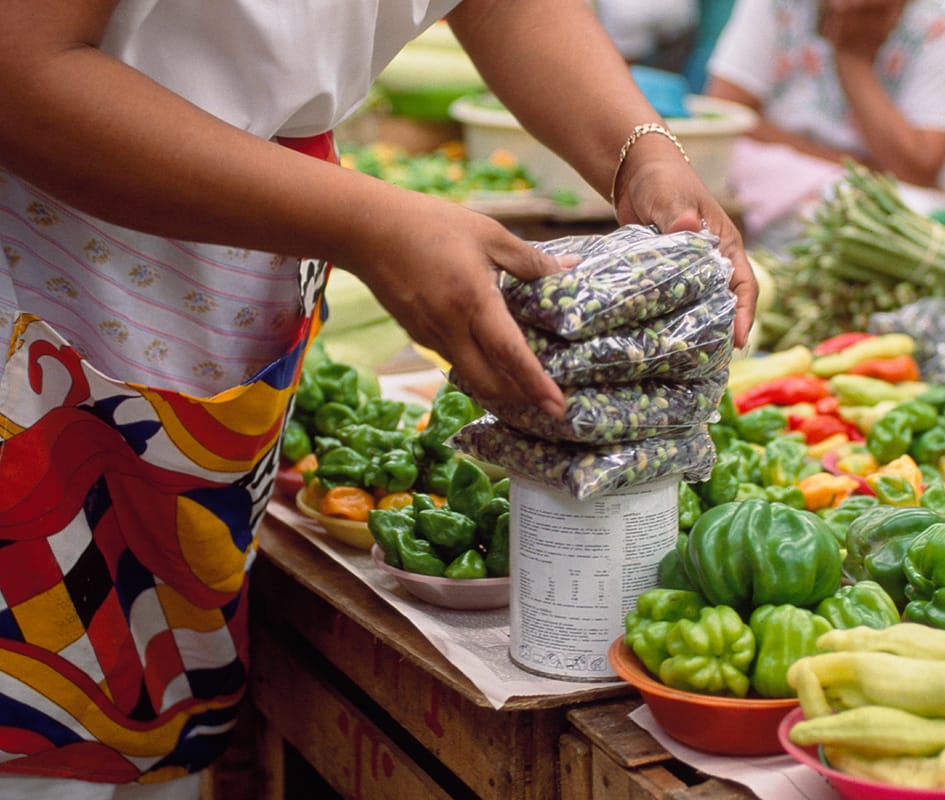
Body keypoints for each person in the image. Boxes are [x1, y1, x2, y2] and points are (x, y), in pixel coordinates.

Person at [0, 1, 755, 797]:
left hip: (232, 277)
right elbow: (19, 62)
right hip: (47, 264)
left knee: (135, 705)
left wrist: (640, 152)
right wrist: (372, 224)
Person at [704, 0, 945, 250]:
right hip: (800, 170)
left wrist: (853, 59)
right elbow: (726, 112)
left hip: (887, 189)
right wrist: (847, 165)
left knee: (907, 219)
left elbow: (919, 167)